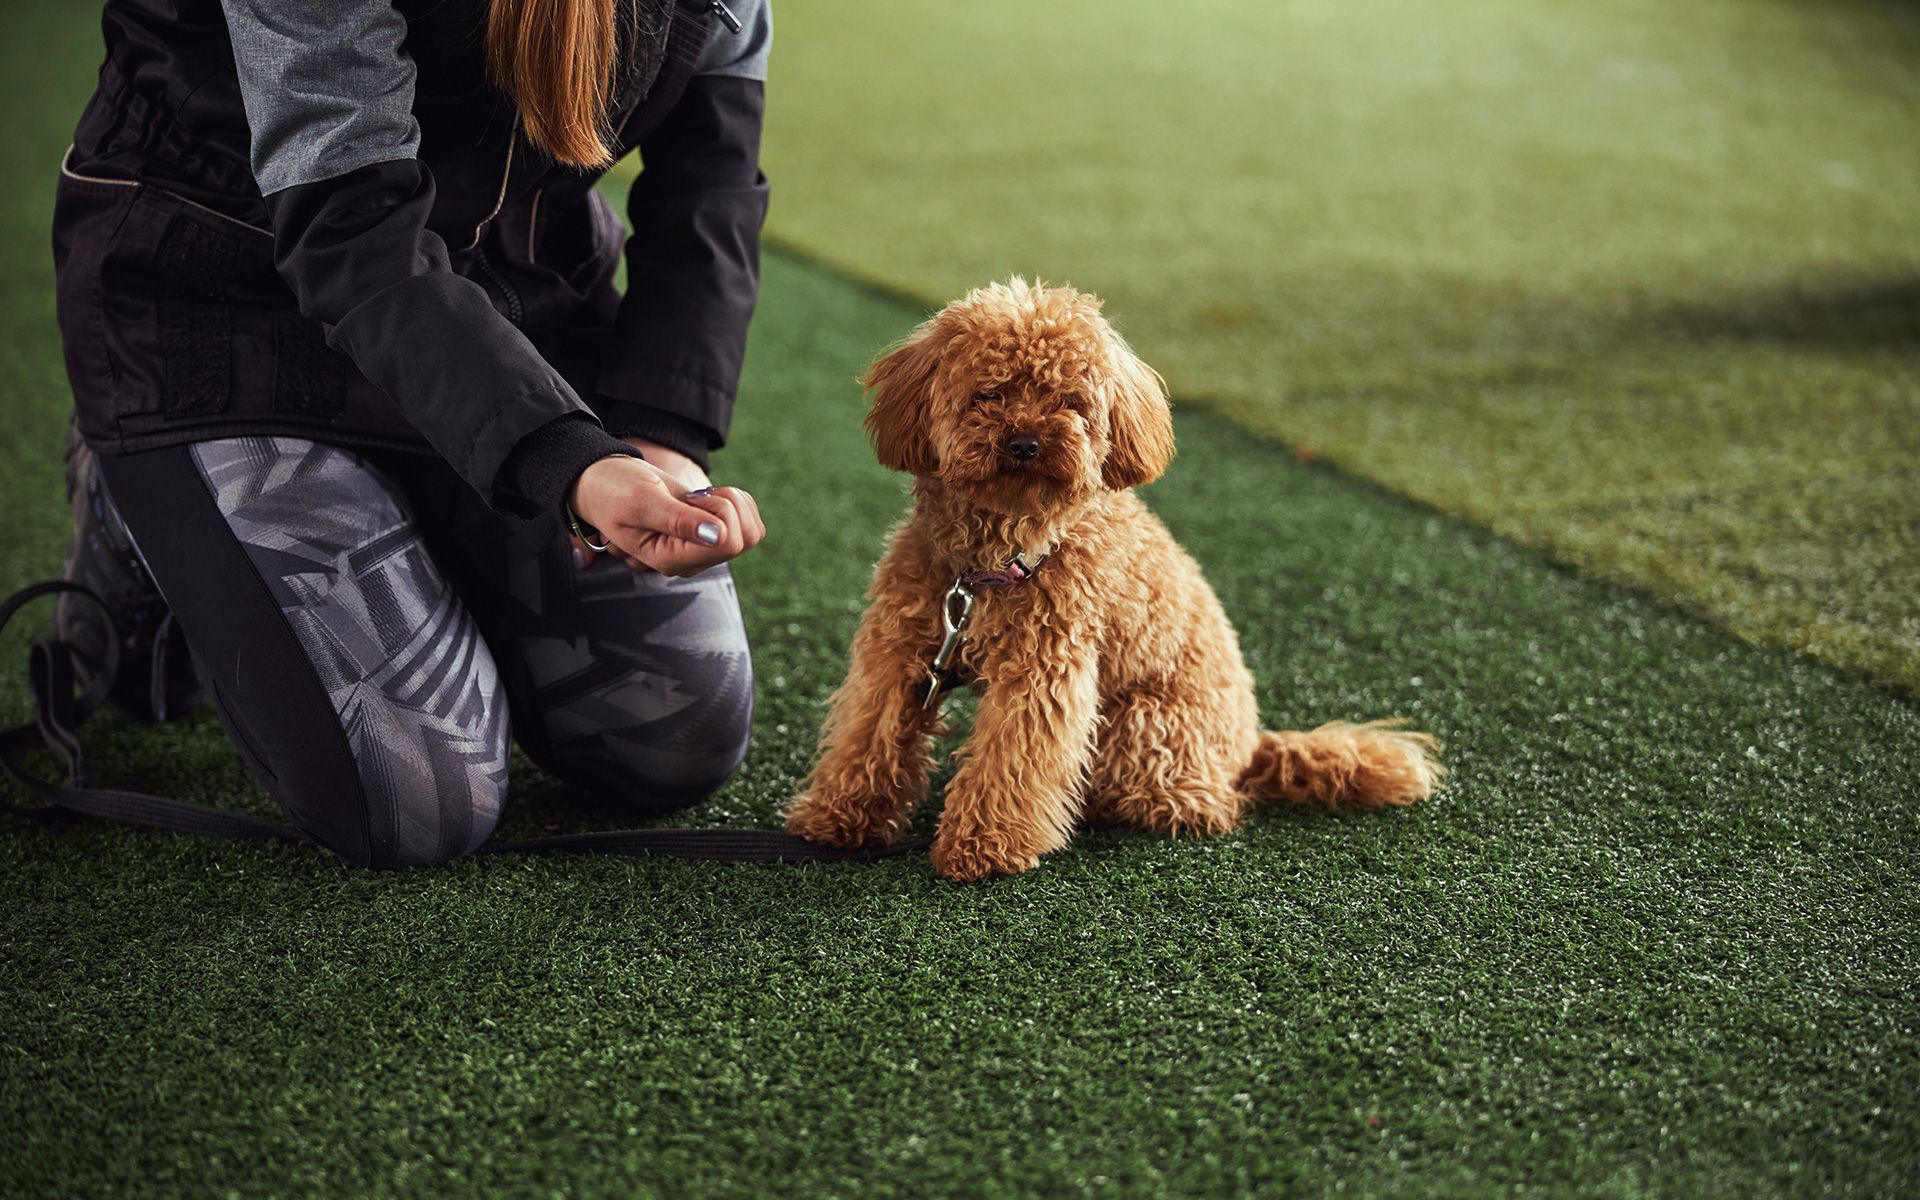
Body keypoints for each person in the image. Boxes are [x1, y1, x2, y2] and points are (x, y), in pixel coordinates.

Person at [49, 0, 772, 868]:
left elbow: (711, 181)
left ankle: (423, 517)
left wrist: (658, 436)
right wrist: (567, 462)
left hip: (515, 308)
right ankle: (136, 501)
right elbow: (348, 225)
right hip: (236, 312)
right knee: (415, 801)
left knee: (672, 734)